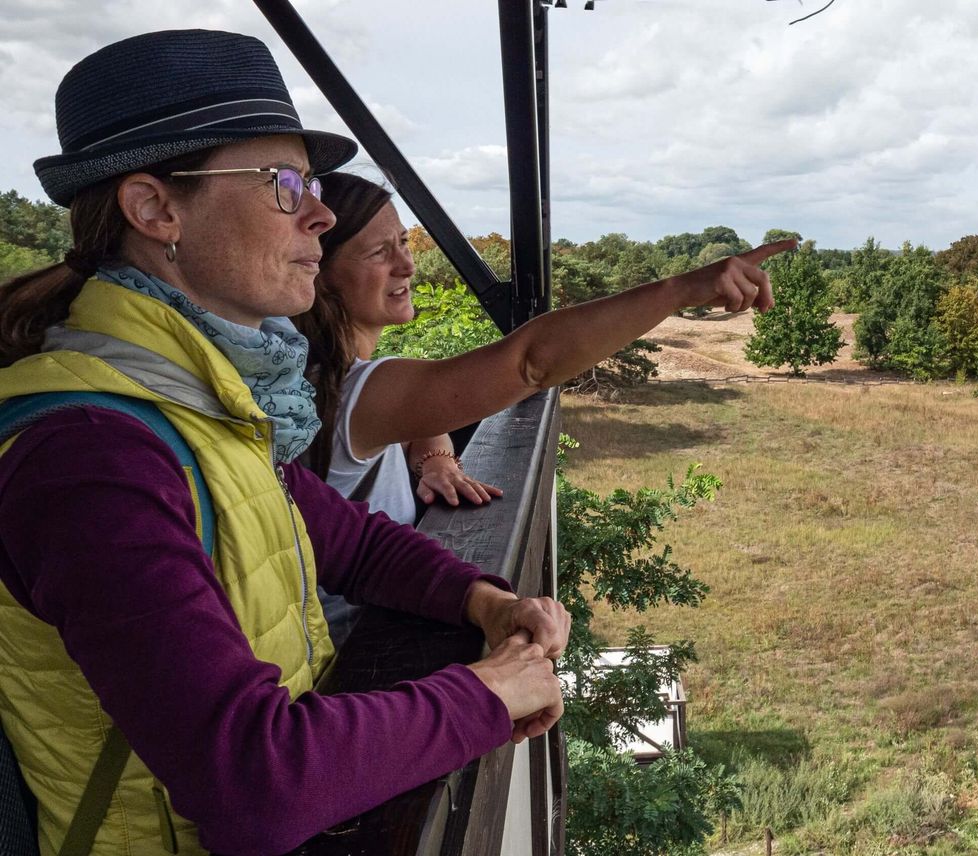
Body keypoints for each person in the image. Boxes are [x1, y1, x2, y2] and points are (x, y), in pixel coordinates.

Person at [0, 30, 571, 855]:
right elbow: (252, 782)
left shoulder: (199, 401)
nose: (323, 211)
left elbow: (353, 545)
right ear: (156, 209)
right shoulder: (90, 456)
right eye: (283, 181)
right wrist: (490, 692)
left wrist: (488, 603)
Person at [293, 174, 795, 643]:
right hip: (358, 653)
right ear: (320, 272)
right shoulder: (347, 391)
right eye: (379, 253)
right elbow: (531, 364)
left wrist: (434, 454)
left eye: (403, 242)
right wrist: (680, 290)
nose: (406, 264)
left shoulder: (313, 380)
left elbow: (419, 412)